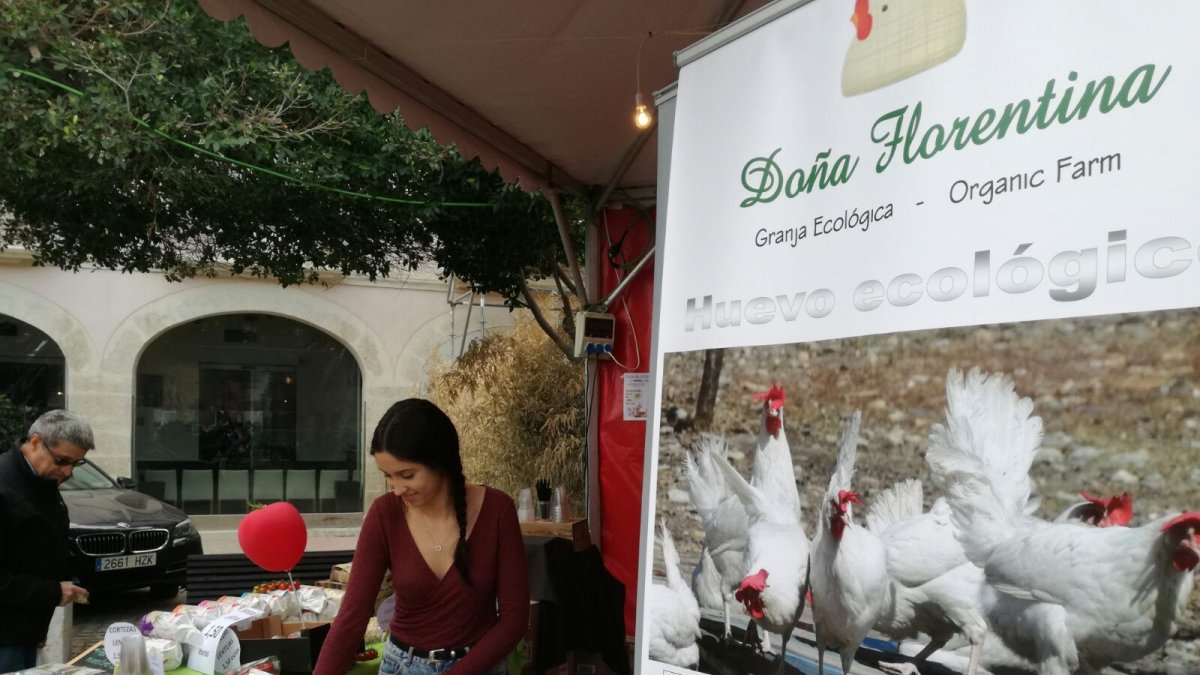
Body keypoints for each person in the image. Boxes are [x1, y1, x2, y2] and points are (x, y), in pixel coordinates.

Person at [314, 399, 529, 675]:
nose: (397, 489)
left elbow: (514, 622)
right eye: (388, 477)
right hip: (402, 667)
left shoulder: (498, 510)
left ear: (440, 460)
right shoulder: (385, 515)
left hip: (479, 666)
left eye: (406, 475)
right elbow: (351, 618)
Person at [0, 410, 92, 672]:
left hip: (26, 627)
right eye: (62, 460)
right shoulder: (5, 487)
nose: (68, 472)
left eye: (77, 463)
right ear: (36, 442)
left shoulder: (40, 480)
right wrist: (52, 591)